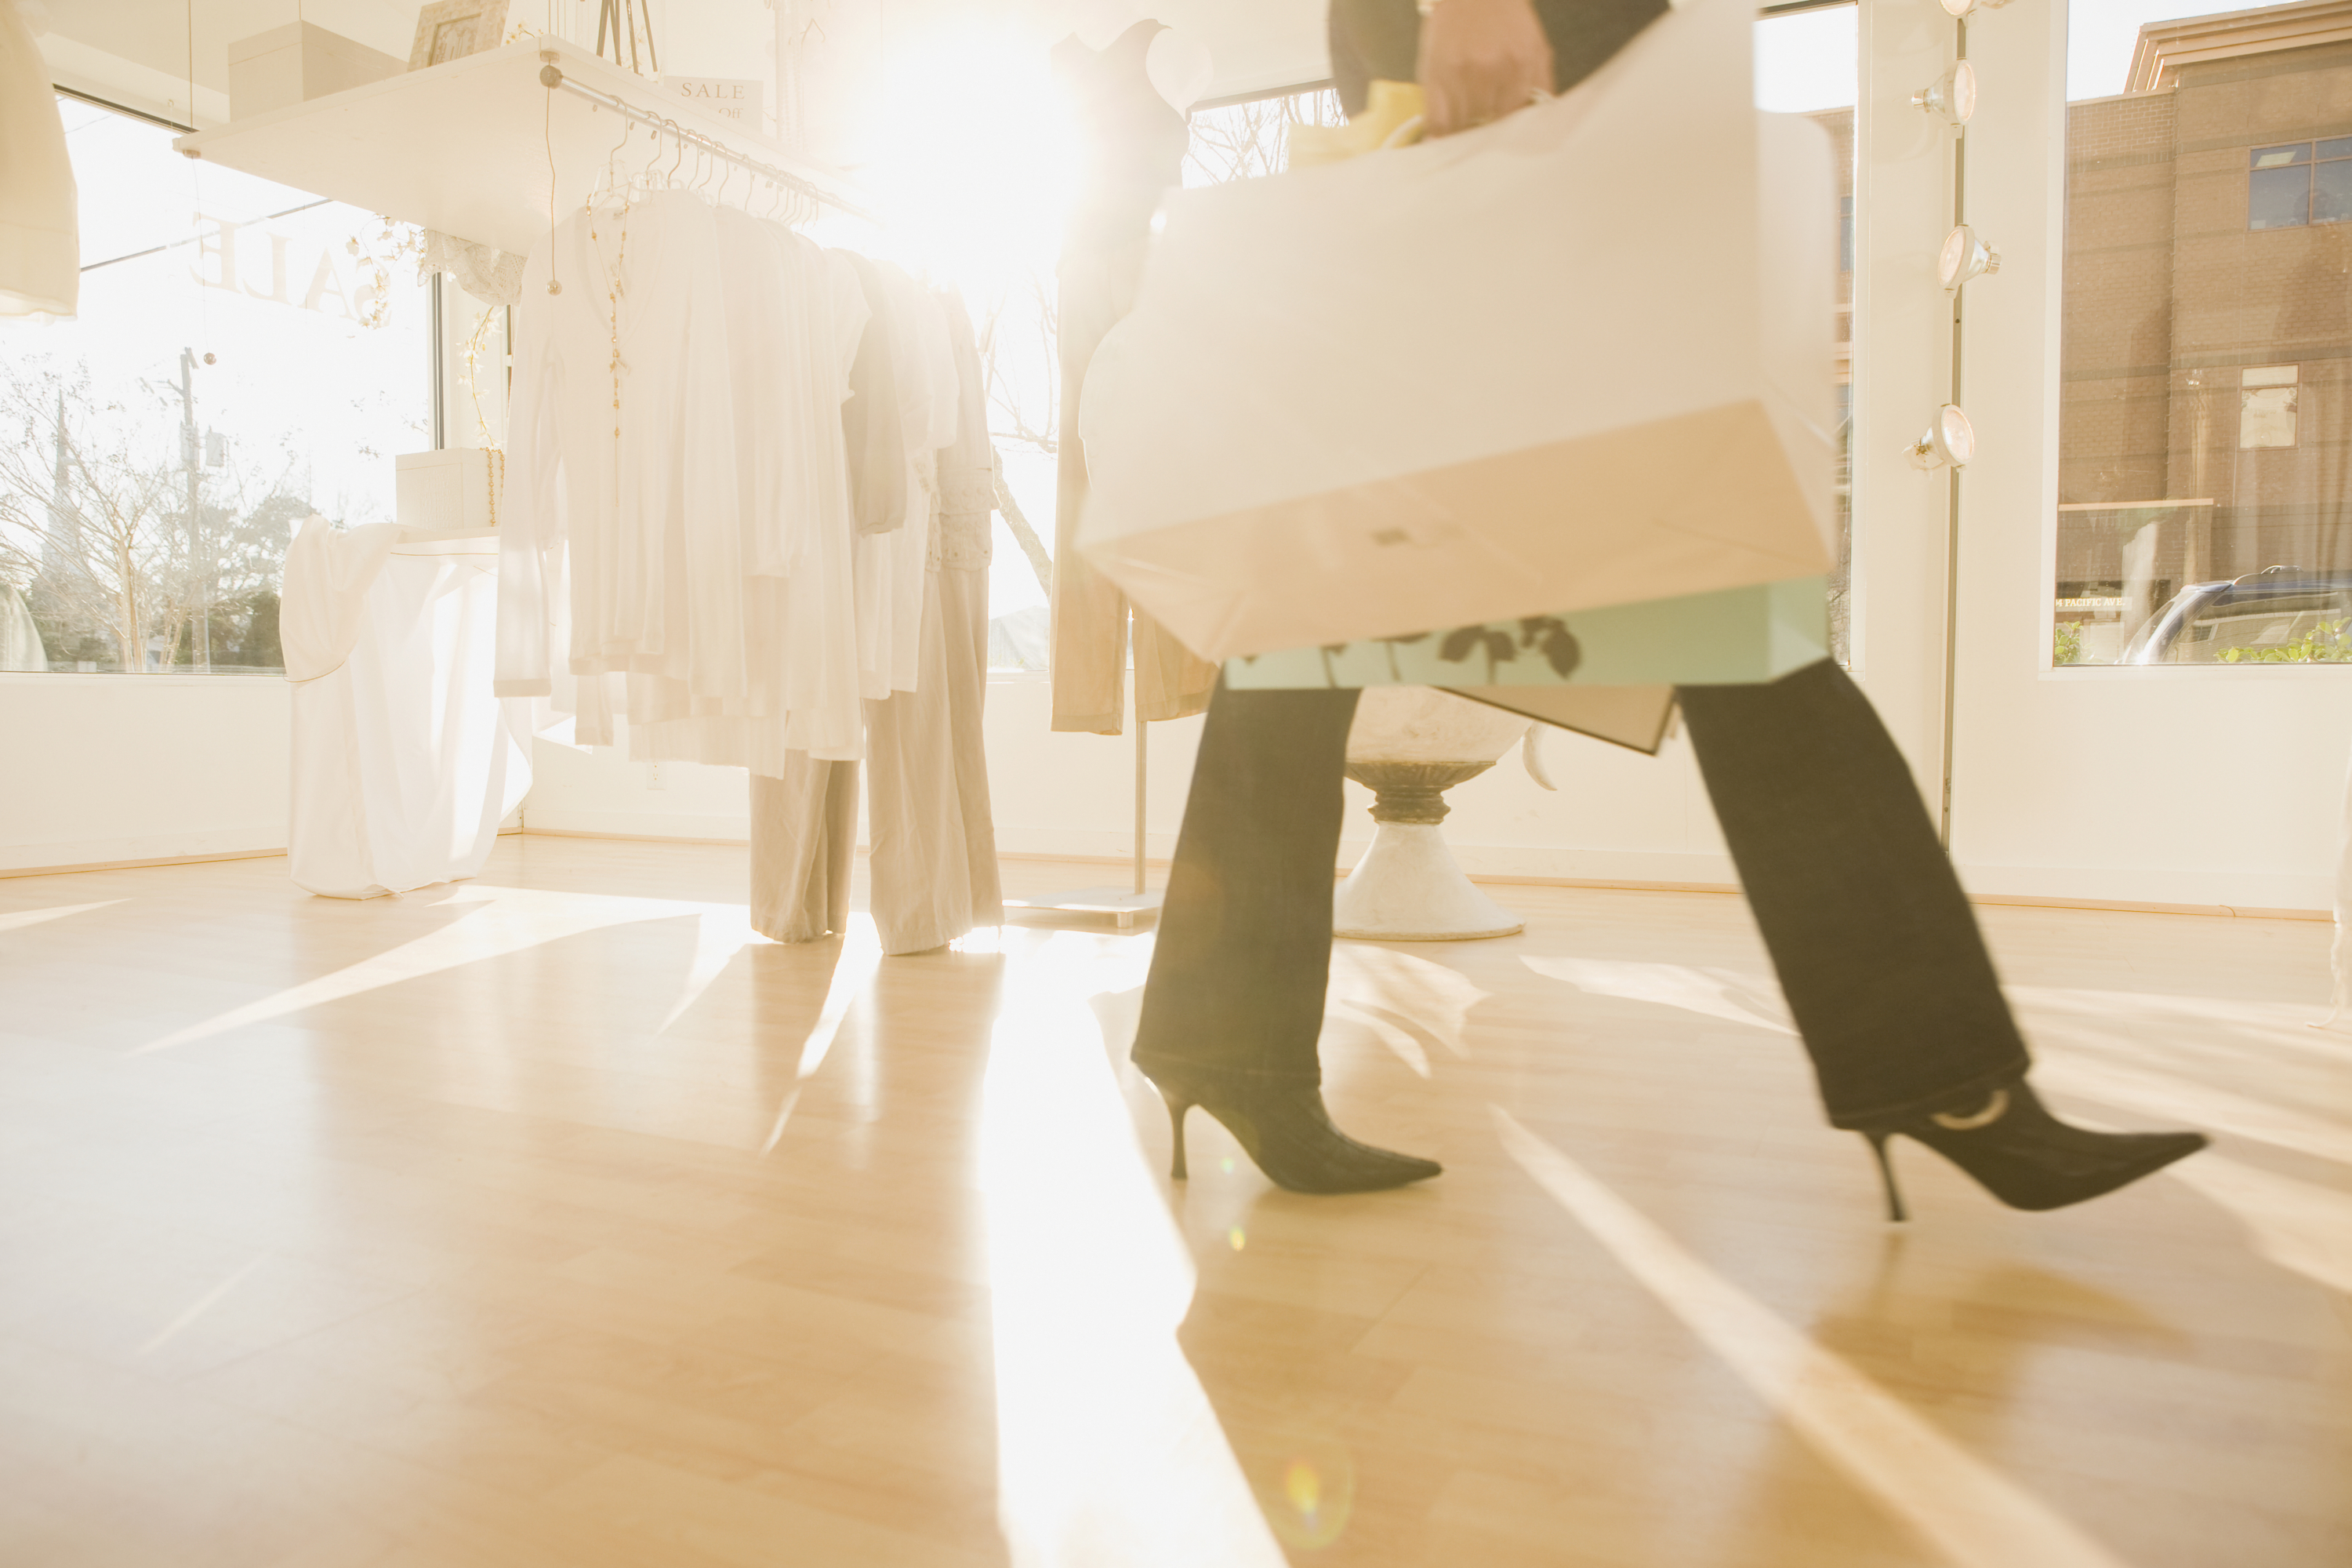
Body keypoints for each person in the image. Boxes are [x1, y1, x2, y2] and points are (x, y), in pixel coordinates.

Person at [1125, 0, 2207, 1217]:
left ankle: (1223, 1044)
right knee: (1718, 620)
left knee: (1327, 608)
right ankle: (1946, 1084)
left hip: (1544, 114)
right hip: (1506, 78)